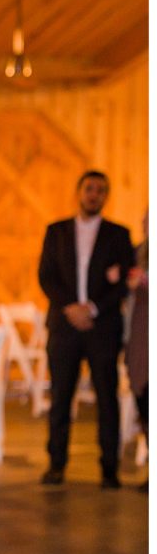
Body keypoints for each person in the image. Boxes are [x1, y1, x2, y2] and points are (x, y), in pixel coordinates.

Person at [38, 170, 134, 488]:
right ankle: (56, 464)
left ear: (106, 197)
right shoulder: (57, 231)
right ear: (78, 192)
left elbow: (123, 283)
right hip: (65, 326)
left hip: (102, 327)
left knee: (107, 398)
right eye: (89, 188)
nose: (94, 194)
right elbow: (46, 275)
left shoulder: (119, 234)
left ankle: (109, 467)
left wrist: (92, 308)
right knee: (61, 397)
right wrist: (71, 307)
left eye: (101, 190)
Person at [125, 209, 148, 493]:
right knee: (144, 402)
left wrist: (143, 283)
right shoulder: (137, 252)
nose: (144, 222)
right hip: (139, 336)